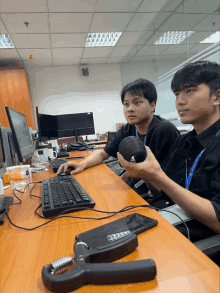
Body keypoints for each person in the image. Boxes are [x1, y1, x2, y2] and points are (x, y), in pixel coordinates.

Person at [117, 61, 220, 242]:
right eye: (177, 94)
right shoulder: (184, 141)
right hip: (166, 214)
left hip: (193, 235)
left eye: (190, 91)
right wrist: (146, 174)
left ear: (217, 97)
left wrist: (158, 177)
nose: (180, 101)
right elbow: (161, 192)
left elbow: (218, 220)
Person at [57, 78, 180, 195]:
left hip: (157, 194)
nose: (130, 109)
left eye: (137, 103)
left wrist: (138, 171)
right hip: (134, 185)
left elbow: (164, 187)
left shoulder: (165, 131)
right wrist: (82, 164)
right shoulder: (127, 129)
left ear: (152, 106)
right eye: (126, 104)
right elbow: (102, 154)